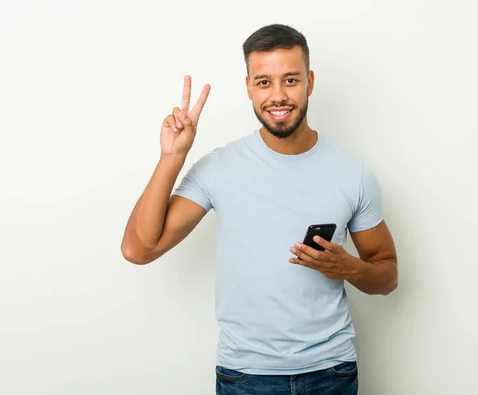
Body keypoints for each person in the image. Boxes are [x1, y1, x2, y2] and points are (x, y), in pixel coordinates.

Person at [121, 23, 398, 395]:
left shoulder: (353, 173)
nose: (278, 96)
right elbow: (139, 249)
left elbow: (387, 276)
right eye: (264, 82)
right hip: (246, 376)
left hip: (331, 373)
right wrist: (172, 157)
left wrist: (348, 267)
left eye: (291, 80)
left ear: (310, 82)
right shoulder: (220, 167)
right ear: (249, 87)